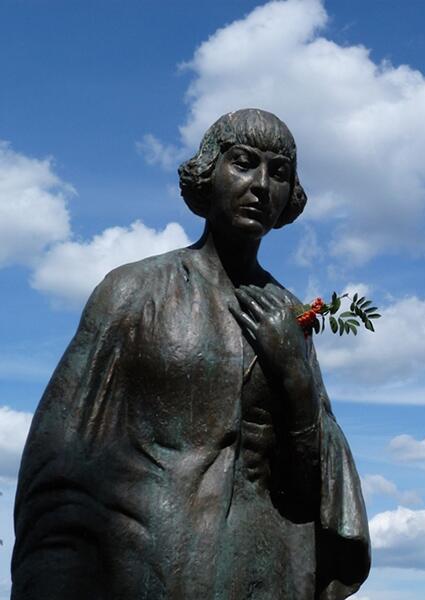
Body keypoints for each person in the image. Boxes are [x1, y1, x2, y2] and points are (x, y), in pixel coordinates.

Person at [11, 109, 370, 599]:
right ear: (209, 172)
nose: (261, 185)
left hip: (265, 577)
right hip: (148, 570)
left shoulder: (289, 317)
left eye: (279, 172)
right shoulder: (134, 290)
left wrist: (296, 378)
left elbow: (312, 489)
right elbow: (60, 462)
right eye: (243, 163)